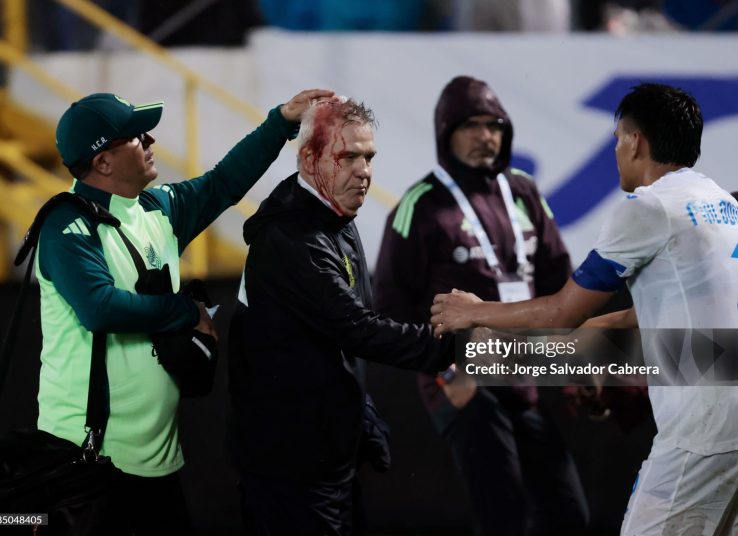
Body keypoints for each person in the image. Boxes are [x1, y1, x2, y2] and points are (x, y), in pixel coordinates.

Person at [432, 82, 738, 535]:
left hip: (705, 429)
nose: (617, 150)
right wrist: (504, 352)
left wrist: (476, 311)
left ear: (636, 141)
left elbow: (563, 311)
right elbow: (632, 319)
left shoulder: (650, 207)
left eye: (618, 138)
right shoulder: (723, 204)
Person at [38, 88, 331, 533]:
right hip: (86, 462)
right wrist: (184, 311)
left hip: (154, 459)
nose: (150, 140)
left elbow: (222, 184)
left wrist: (281, 122)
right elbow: (98, 307)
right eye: (137, 137)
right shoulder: (65, 225)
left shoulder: (156, 209)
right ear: (103, 162)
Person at [227, 96, 454, 535]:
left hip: (322, 459)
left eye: (368, 157)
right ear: (310, 159)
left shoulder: (333, 218)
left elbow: (329, 334)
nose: (364, 171)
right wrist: (452, 345)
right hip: (288, 470)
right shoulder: (293, 239)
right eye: (348, 156)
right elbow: (356, 329)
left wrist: (356, 409)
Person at [373, 75, 588, 536]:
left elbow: (559, 281)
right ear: (445, 132)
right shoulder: (420, 204)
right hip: (465, 380)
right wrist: (446, 371)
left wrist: (572, 368)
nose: (484, 135)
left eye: (493, 125)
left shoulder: (525, 191)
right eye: (470, 125)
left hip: (528, 375)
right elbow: (390, 306)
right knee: (504, 518)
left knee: (569, 514)